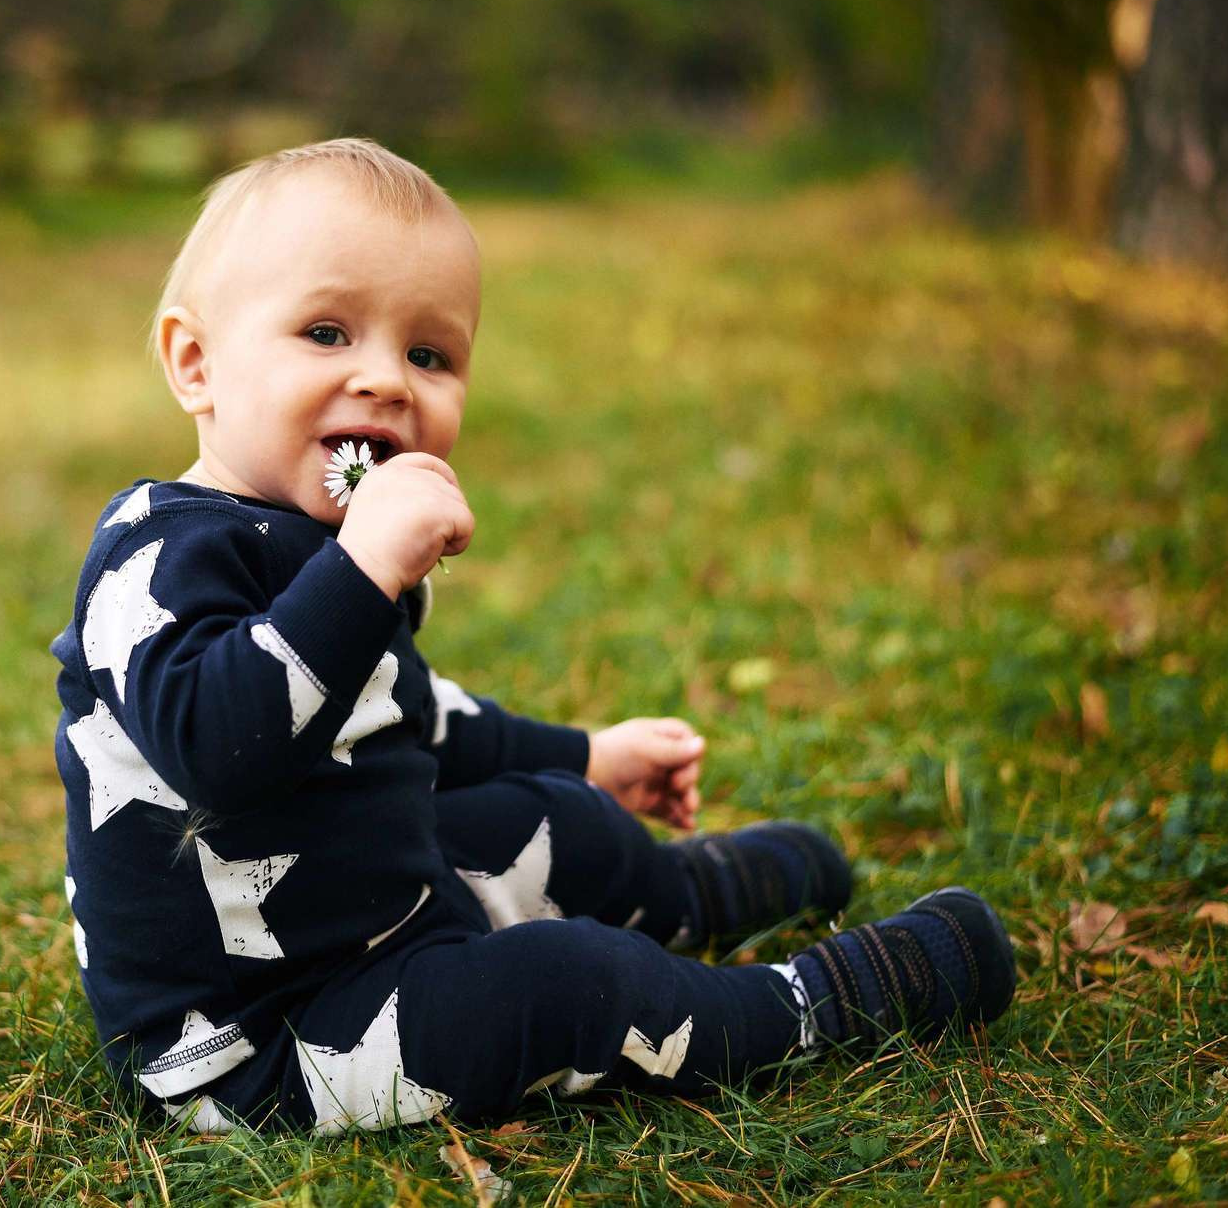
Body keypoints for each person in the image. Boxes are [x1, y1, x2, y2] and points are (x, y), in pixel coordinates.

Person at [49, 138, 1014, 1134]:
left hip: (374, 911)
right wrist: (362, 570)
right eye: (327, 332)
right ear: (197, 364)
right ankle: (807, 1004)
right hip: (267, 1036)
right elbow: (218, 746)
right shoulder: (150, 563)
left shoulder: (326, 543)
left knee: (551, 815)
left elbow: (410, 716)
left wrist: (587, 756)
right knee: (564, 982)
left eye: (428, 355)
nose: (386, 380)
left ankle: (688, 891)